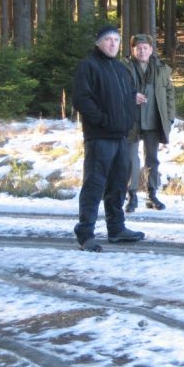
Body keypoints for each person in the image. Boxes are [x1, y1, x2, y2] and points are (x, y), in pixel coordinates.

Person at [72, 25, 145, 252]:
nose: (113, 44)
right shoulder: (89, 66)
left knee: (117, 185)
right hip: (99, 137)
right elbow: (81, 99)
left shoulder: (121, 69)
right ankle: (85, 233)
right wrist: (103, 120)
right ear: (98, 43)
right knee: (94, 185)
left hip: (121, 137)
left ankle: (116, 228)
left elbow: (129, 95)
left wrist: (129, 114)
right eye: (107, 40)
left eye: (116, 39)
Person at [123, 34, 176, 212]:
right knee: (131, 159)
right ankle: (132, 195)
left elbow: (169, 94)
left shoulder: (162, 69)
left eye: (145, 47)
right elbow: (116, 91)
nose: (142, 51)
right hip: (131, 120)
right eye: (138, 48)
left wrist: (169, 117)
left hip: (154, 120)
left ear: (151, 50)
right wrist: (131, 97)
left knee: (152, 159)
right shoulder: (123, 68)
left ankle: (152, 194)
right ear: (133, 50)